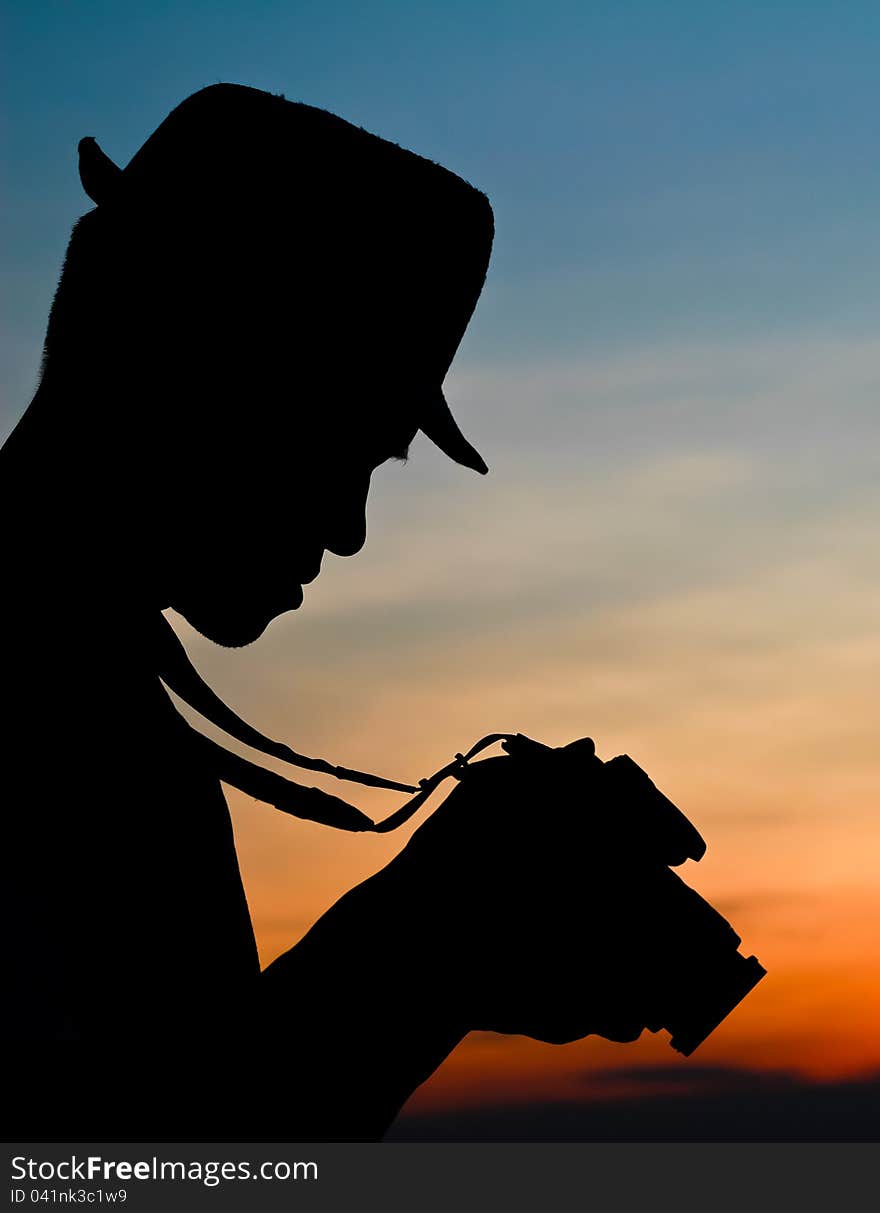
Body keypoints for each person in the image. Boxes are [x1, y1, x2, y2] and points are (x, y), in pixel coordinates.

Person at [3, 84, 660, 1142]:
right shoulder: (69, 727)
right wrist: (423, 950)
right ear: (187, 362)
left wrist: (429, 963)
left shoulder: (93, 707)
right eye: (337, 445)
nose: (349, 529)